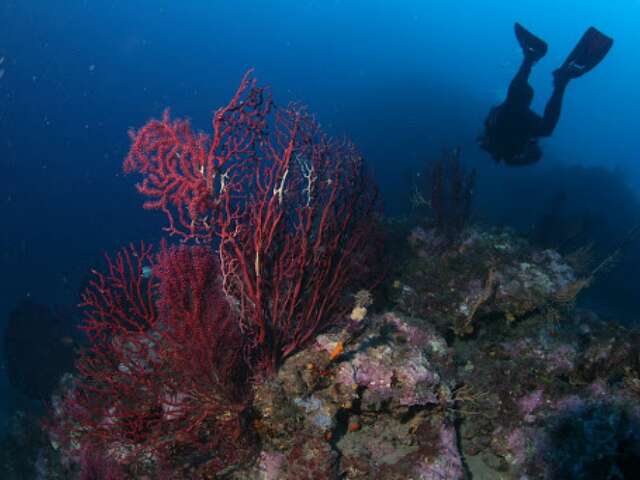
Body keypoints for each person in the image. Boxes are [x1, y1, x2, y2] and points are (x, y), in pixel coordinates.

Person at [479, 23, 613, 166]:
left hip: (508, 122)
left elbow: (528, 155)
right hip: (510, 121)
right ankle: (534, 61)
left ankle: (539, 64)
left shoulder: (503, 143)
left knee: (532, 117)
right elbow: (531, 154)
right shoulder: (506, 140)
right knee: (523, 107)